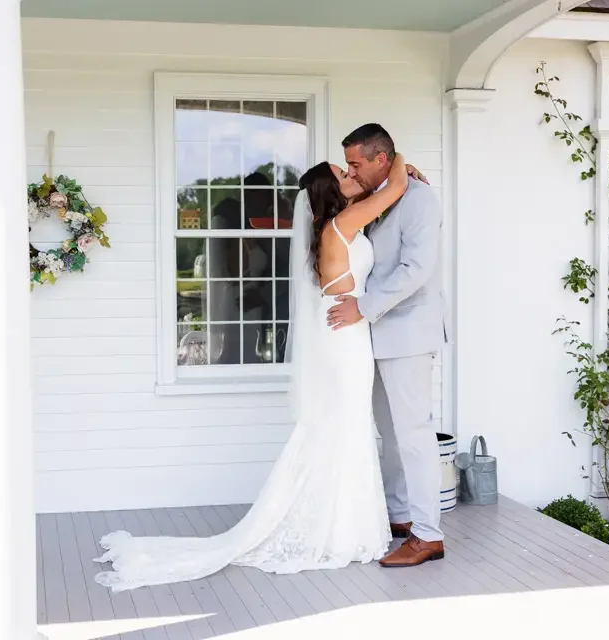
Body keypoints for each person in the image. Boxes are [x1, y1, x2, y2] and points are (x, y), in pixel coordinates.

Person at [92, 154, 416, 591]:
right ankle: (343, 530)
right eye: (344, 173)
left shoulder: (340, 225)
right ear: (330, 191)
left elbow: (384, 195)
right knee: (347, 425)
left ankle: (346, 525)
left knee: (345, 426)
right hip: (343, 341)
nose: (351, 174)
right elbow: (393, 189)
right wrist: (398, 161)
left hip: (344, 334)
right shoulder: (339, 227)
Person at [327, 123, 449, 568]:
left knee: (415, 434)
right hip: (375, 337)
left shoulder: (419, 199)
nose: (351, 172)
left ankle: (429, 535)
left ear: (382, 159)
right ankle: (401, 517)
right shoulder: (378, 196)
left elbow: (417, 268)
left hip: (408, 333)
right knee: (391, 432)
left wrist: (365, 305)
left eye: (356, 163)